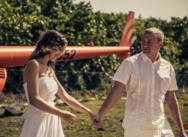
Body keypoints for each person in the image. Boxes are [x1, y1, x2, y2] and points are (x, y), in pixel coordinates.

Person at [95, 27, 187, 137]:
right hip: (137, 126)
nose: (145, 44)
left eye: (149, 42)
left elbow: (171, 100)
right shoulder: (130, 64)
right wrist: (100, 115)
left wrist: (181, 131)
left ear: (160, 44)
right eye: (143, 41)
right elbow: (116, 91)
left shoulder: (167, 67)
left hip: (161, 124)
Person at [20, 30, 97, 137]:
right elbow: (34, 99)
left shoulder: (50, 69)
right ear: (52, 47)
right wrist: (61, 113)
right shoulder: (33, 65)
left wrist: (88, 112)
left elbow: (65, 96)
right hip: (37, 122)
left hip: (53, 120)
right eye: (61, 50)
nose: (61, 54)